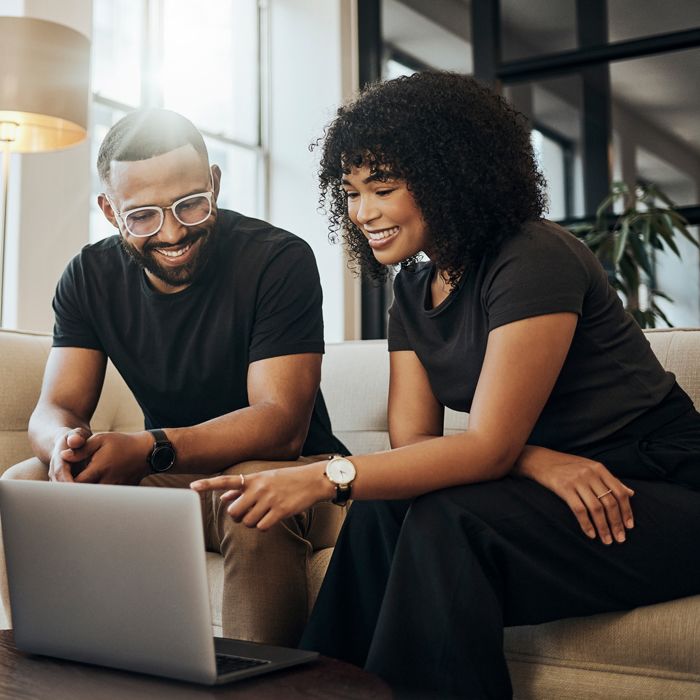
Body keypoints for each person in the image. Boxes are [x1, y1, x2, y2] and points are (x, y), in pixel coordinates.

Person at [190, 72, 700, 698]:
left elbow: (485, 448)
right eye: (350, 192)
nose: (364, 212)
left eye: (384, 188)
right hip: (557, 484)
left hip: (657, 486)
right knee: (384, 513)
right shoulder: (412, 289)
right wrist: (536, 462)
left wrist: (323, 477)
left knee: (448, 521)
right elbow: (415, 444)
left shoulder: (532, 255)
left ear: (451, 176)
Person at [0, 108, 346, 646]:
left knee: (246, 494)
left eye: (190, 204)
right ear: (110, 210)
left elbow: (281, 425)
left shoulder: (278, 261)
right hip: (179, 477)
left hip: (296, 474)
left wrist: (146, 448)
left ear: (214, 183)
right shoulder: (89, 277)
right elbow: (55, 407)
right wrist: (64, 445)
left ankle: (260, 687)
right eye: (142, 216)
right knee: (23, 481)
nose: (173, 231)